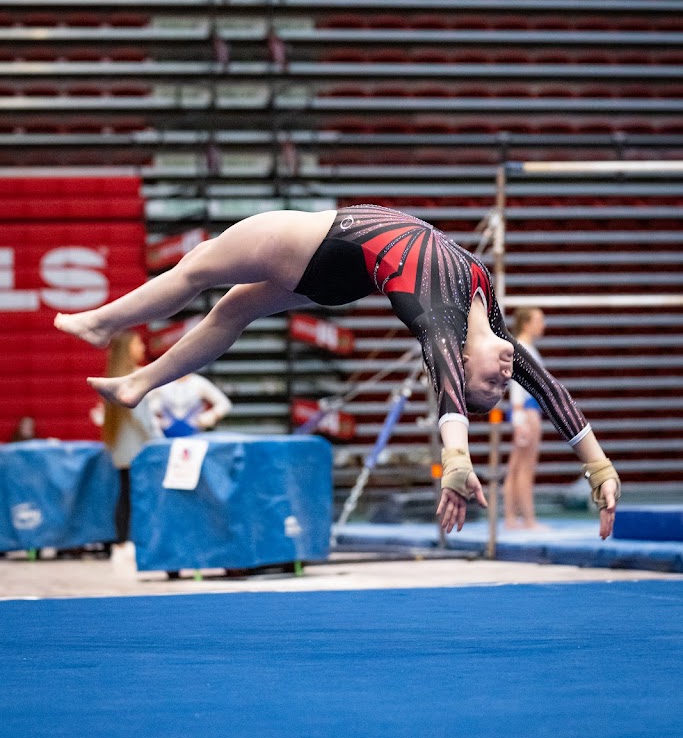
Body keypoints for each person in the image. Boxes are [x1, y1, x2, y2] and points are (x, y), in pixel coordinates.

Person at [54, 204, 621, 539]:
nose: (504, 376)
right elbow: (549, 392)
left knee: (200, 266)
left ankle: (104, 324)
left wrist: (456, 460)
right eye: (502, 383)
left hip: (314, 244)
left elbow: (449, 390)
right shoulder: (489, 320)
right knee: (232, 310)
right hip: (340, 269)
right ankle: (138, 382)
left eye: (490, 384)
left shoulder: (443, 326)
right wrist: (598, 467)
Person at [101, 331, 161, 565]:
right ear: (127, 349)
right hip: (139, 447)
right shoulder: (134, 378)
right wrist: (156, 440)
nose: (142, 347)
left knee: (126, 494)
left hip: (124, 447)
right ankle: (132, 542)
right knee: (139, 497)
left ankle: (123, 541)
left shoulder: (115, 378)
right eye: (137, 344)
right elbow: (141, 416)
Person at [503, 307, 546, 530]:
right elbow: (517, 385)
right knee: (525, 468)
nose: (543, 325)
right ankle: (528, 519)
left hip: (524, 410)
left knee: (516, 466)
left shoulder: (524, 348)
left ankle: (511, 518)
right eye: (539, 320)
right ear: (527, 324)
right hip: (526, 411)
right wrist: (519, 418)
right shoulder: (522, 348)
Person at [148, 373, 232, 437]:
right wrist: (154, 417)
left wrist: (211, 416)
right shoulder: (162, 382)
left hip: (193, 432)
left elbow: (224, 404)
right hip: (165, 433)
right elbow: (144, 401)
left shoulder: (198, 382)